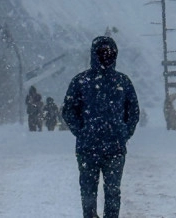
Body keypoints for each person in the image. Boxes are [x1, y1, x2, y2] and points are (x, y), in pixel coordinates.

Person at [62, 35, 140, 218]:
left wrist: (123, 133)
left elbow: (133, 111)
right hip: (88, 149)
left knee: (113, 192)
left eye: (110, 52)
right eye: (102, 52)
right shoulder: (81, 81)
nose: (106, 55)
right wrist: (82, 132)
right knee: (88, 193)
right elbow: (69, 111)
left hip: (115, 149)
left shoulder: (123, 82)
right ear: (94, 54)